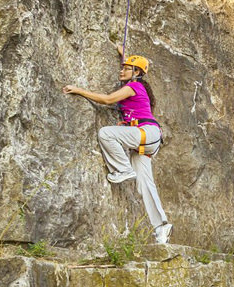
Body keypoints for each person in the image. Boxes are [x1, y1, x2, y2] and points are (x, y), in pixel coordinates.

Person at [63, 45, 172, 244]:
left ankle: (123, 169)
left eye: (126, 68)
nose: (121, 70)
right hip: (147, 140)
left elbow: (107, 99)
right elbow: (132, 66)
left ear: (136, 73)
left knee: (106, 133)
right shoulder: (136, 85)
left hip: (146, 133)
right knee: (145, 185)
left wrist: (78, 90)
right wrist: (123, 53)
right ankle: (161, 227)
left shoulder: (134, 87)